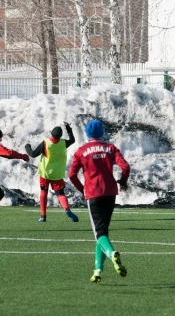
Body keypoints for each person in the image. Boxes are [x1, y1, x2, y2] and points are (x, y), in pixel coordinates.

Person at [68, 120, 130, 283]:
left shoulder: (81, 151)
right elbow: (125, 167)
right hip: (110, 193)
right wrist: (122, 181)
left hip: (93, 193)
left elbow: (71, 175)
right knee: (102, 232)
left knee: (99, 233)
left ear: (87, 133)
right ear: (102, 132)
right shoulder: (110, 148)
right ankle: (98, 271)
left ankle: (112, 254)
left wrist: (82, 189)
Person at [25, 122, 79, 223]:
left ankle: (43, 216)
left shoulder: (46, 143)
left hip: (45, 173)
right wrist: (68, 127)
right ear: (60, 136)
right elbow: (72, 139)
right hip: (57, 173)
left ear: (51, 134)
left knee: (43, 193)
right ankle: (67, 209)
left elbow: (33, 154)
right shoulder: (63, 143)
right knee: (60, 194)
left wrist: (27, 146)